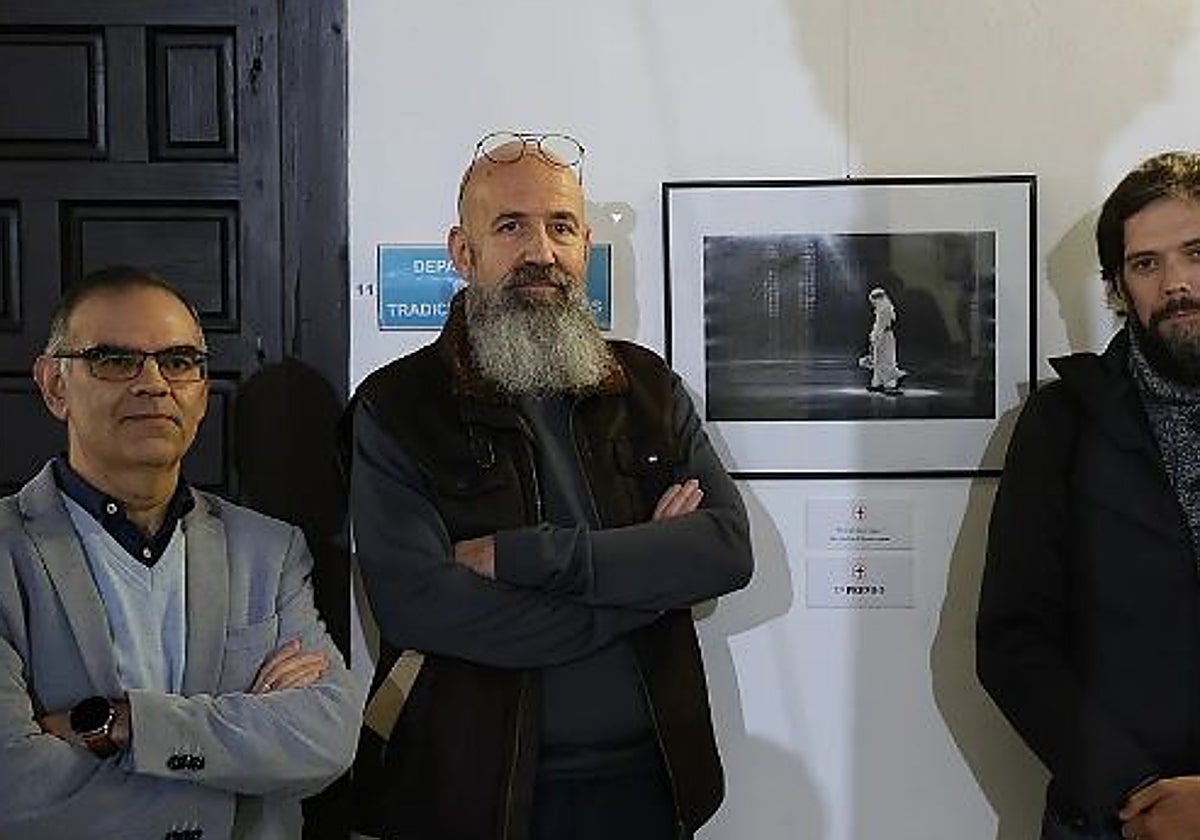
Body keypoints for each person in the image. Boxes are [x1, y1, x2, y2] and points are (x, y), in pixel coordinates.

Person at [346, 131, 754, 840]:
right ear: (462, 251)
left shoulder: (647, 387)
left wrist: (533, 559)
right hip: (472, 800)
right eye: (511, 226)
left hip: (653, 787)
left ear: (584, 245)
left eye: (561, 227)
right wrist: (649, 586)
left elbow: (725, 549)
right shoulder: (397, 406)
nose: (541, 252)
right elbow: (422, 608)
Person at [0, 266, 361, 839]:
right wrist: (233, 781)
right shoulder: (8, 555)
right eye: (116, 360)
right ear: (53, 386)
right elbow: (13, 784)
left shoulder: (269, 552)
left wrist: (123, 725)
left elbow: (325, 738)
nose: (154, 384)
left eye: (178, 362)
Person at [977, 151, 1200, 840]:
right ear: (1118, 287)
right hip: (1117, 816)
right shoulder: (1061, 424)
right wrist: (1137, 795)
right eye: (1146, 264)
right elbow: (1014, 639)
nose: (1178, 284)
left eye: (1196, 253)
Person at [858, 286, 906, 394]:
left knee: (883, 361)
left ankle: (894, 378)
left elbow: (881, 326)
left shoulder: (884, 310)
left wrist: (876, 337)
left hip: (883, 337)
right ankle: (878, 383)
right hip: (885, 336)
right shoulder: (885, 308)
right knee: (881, 361)